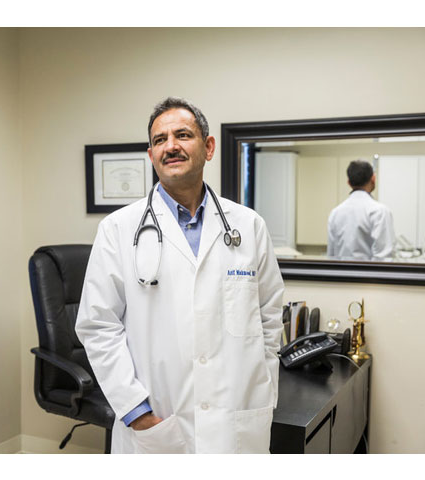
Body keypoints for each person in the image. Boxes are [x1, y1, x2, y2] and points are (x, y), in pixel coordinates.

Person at [75, 97, 284, 454]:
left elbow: (269, 316)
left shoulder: (247, 226)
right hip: (156, 422)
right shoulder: (118, 229)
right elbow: (98, 326)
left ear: (208, 146)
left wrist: (261, 389)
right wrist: (136, 411)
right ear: (151, 154)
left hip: (236, 420)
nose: (170, 146)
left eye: (183, 135)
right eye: (160, 140)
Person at [327, 159, 396, 261]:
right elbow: (383, 258)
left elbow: (331, 255)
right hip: (369, 276)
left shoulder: (335, 213)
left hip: (341, 275)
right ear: (373, 179)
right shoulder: (380, 212)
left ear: (349, 183)